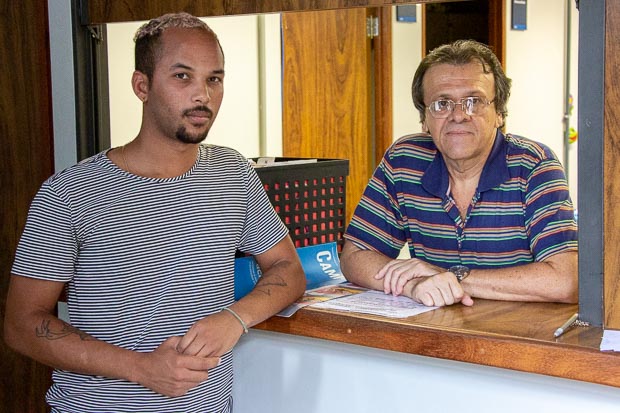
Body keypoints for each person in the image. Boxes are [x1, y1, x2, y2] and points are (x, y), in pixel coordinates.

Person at [4, 12, 305, 412]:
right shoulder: (70, 193)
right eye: (182, 77)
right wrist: (143, 369)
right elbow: (22, 324)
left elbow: (288, 270)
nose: (203, 96)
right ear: (141, 85)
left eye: (214, 79)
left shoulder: (233, 174)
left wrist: (234, 319)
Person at [340, 39, 577, 308]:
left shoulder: (534, 165)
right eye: (442, 104)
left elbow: (566, 281)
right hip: (437, 333)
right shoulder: (404, 160)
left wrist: (452, 278)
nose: (458, 115)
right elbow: (355, 255)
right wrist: (414, 284)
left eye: (474, 101)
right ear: (424, 119)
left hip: (520, 338)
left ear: (499, 112)